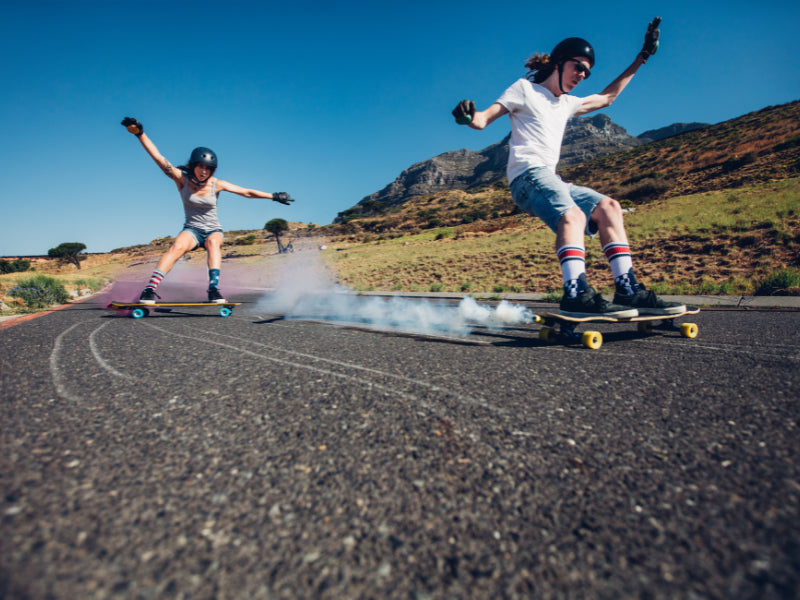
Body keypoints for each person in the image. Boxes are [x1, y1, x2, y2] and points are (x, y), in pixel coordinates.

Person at [452, 18, 684, 318]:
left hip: (551, 179)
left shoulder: (567, 103)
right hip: (527, 177)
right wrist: (465, 117)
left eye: (587, 72)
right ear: (560, 62)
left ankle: (628, 291)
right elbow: (482, 120)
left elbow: (608, 97)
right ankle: (575, 294)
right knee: (572, 214)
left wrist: (642, 58)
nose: (582, 75)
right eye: (578, 67)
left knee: (609, 207)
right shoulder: (524, 90)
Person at [121, 117, 294, 304]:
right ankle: (149, 290)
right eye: (201, 167)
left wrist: (274, 195)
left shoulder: (217, 184)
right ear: (193, 165)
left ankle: (213, 290)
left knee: (213, 243)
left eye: (208, 168)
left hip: (213, 230)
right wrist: (140, 134)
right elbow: (159, 159)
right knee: (177, 247)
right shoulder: (182, 179)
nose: (204, 171)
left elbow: (247, 192)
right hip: (192, 230)